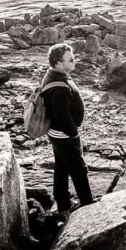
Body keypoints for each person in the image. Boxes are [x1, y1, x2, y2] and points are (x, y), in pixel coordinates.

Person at [43, 42, 95, 214]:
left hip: (57, 133)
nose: (74, 60)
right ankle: (88, 203)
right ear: (58, 63)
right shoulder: (58, 86)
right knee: (79, 169)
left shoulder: (55, 75)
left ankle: (63, 202)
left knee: (62, 167)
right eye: (70, 59)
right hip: (64, 135)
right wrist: (73, 133)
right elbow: (62, 116)